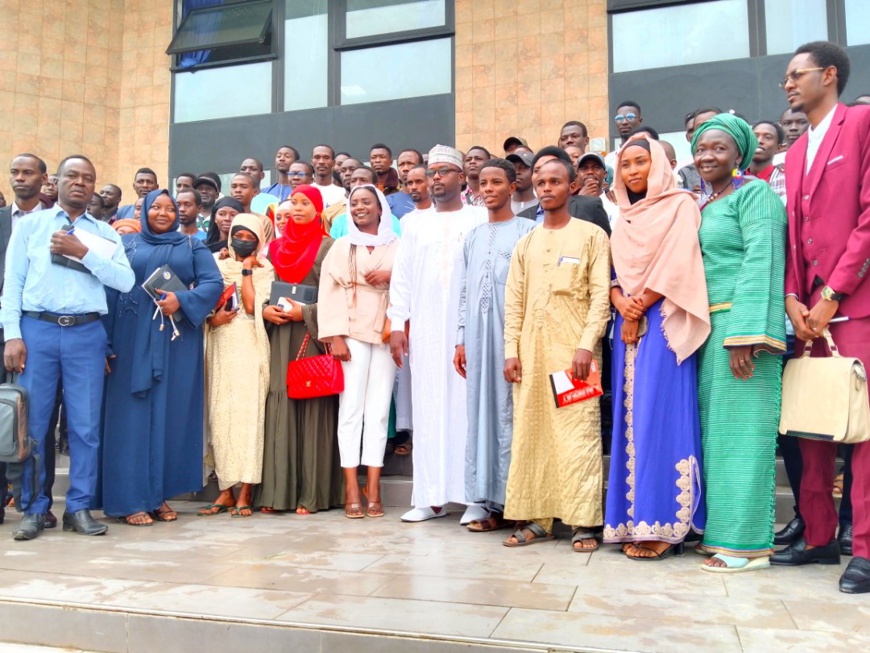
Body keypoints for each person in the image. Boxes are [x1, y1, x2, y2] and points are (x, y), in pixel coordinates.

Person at [771, 41, 870, 594]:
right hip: (807, 312)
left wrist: (833, 292)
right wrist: (793, 297)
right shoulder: (798, 148)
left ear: (829, 75)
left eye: (797, 74)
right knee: (812, 427)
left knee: (863, 432)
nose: (788, 83)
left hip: (854, 306)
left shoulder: (861, 123)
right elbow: (793, 237)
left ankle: (867, 550)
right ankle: (819, 537)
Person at [1, 155, 135, 540]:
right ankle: (34, 508)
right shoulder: (30, 227)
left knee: (85, 426)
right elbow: (12, 283)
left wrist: (84, 254)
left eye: (88, 178)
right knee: (34, 425)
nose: (80, 182)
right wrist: (12, 333)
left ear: (95, 187)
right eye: (72, 176)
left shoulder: (106, 234)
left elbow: (125, 282)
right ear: (56, 182)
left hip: (86, 334)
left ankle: (78, 508)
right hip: (37, 330)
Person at [603, 134, 710, 560]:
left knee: (659, 414)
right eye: (625, 164)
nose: (632, 171)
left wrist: (637, 309)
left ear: (660, 166)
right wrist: (620, 304)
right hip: (626, 321)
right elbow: (612, 272)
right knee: (630, 417)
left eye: (640, 162)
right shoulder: (623, 217)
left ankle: (666, 523)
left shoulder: (680, 205)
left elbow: (676, 261)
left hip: (662, 321)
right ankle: (634, 519)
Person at [690, 113, 787, 572]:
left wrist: (746, 335)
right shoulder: (707, 204)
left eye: (719, 148)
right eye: (701, 148)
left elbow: (762, 261)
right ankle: (721, 533)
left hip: (743, 333)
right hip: (710, 334)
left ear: (740, 155)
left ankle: (747, 545)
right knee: (718, 437)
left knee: (744, 436)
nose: (707, 156)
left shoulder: (756, 195)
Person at [502, 157, 611, 550]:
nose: (546, 188)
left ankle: (584, 523)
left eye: (555, 181)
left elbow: (601, 297)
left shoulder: (591, 236)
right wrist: (510, 351)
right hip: (530, 354)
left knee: (577, 434)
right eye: (540, 182)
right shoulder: (526, 242)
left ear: (572, 186)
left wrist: (586, 345)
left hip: (574, 355)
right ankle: (536, 519)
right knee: (532, 434)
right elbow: (514, 301)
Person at [101, 189, 222, 526]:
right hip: (129, 341)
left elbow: (213, 283)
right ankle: (129, 500)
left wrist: (182, 300)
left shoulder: (192, 246)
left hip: (176, 341)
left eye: (171, 208)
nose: (164, 213)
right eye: (156, 207)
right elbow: (108, 291)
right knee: (131, 421)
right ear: (143, 211)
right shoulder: (125, 246)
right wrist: (105, 342)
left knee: (170, 418)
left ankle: (159, 497)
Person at [388, 144, 486, 523]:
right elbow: (403, 278)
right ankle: (429, 497)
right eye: (432, 173)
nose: (437, 178)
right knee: (428, 408)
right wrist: (398, 324)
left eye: (445, 171)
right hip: (426, 327)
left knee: (466, 406)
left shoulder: (479, 218)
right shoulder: (413, 223)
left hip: (468, 328)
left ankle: (473, 497)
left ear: (462, 177)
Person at [454, 159, 535, 532]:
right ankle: (488, 503)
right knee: (482, 414)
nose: (488, 189)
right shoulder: (471, 236)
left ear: (512, 185)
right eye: (483, 183)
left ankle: (518, 503)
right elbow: (466, 290)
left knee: (511, 415)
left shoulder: (527, 230)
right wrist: (461, 339)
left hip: (513, 336)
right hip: (477, 337)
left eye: (496, 182)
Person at [254, 185, 343, 515]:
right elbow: (263, 290)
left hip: (312, 337)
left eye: (306, 203)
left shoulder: (329, 247)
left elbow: (338, 298)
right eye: (294, 202)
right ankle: (278, 494)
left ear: (318, 210)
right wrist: (265, 310)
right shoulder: (274, 248)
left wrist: (303, 313)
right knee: (282, 406)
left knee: (312, 408)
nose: (298, 208)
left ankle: (312, 495)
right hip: (280, 335)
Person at [319, 185, 398, 519]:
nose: (360, 207)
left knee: (378, 411)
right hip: (350, 331)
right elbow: (329, 290)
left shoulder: (399, 245)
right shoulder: (341, 245)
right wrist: (334, 336)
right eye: (354, 203)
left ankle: (374, 485)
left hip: (385, 331)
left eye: (367, 202)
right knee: (351, 409)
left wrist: (391, 276)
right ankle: (352, 486)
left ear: (381, 208)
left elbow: (411, 286)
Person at [202, 213, 274, 518]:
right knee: (220, 414)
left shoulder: (265, 267)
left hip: (248, 341)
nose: (242, 240)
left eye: (249, 236)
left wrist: (245, 271)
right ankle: (225, 491)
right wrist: (212, 319)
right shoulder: (214, 263)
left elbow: (250, 305)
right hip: (219, 342)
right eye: (237, 234)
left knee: (248, 416)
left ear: (260, 241)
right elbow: (204, 301)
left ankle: (246, 491)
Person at [518, 147, 611, 236]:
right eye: (537, 170)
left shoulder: (590, 207)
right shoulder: (522, 218)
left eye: (551, 167)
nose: (544, 173)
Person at [330, 167, 401, 239]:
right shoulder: (339, 222)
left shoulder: (391, 221)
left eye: (363, 180)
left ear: (375, 185)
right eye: (353, 181)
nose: (357, 184)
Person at [678, 108, 722, 192]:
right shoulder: (685, 173)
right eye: (699, 128)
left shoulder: (743, 174)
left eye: (710, 125)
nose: (705, 131)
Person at [750, 121, 786, 200]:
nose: (759, 141)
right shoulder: (733, 176)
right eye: (755, 136)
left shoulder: (785, 180)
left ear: (779, 148)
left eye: (768, 137)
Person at [387, 149, 424, 218]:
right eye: (401, 165)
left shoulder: (436, 199)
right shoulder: (389, 201)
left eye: (410, 163)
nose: (405, 168)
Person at [506, 151, 537, 215]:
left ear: (534, 172)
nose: (517, 172)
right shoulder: (501, 206)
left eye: (523, 168)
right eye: (513, 168)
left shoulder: (543, 206)